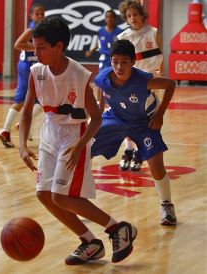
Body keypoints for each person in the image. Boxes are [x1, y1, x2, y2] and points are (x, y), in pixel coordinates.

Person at [19, 17, 137, 265]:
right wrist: (22, 145)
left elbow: (95, 119)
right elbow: (27, 109)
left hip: (73, 136)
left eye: (41, 47)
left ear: (59, 46)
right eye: (34, 47)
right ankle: (90, 242)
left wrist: (80, 145)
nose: (36, 52)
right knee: (43, 194)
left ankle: (117, 228)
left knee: (60, 196)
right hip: (49, 133)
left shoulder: (79, 75)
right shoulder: (35, 72)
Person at [91, 39, 177, 226]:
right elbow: (99, 86)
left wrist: (160, 115)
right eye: (115, 61)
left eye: (124, 62)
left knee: (156, 166)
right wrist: (99, 108)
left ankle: (166, 204)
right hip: (116, 117)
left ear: (133, 62)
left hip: (144, 123)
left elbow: (171, 84)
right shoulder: (103, 77)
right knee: (85, 145)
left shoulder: (144, 80)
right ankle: (76, 195)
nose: (119, 66)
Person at [116, 0, 164, 172]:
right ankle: (128, 149)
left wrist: (161, 79)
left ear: (142, 15)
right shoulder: (122, 37)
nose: (132, 18)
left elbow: (161, 58)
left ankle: (139, 151)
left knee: (146, 121)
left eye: (135, 14)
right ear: (126, 18)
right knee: (128, 119)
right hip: (130, 83)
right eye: (129, 16)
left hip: (151, 81)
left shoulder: (154, 32)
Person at [0, 3, 45, 148]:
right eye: (37, 14)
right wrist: (36, 47)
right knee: (21, 100)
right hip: (27, 67)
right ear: (31, 16)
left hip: (33, 66)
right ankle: (6, 129)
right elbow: (17, 44)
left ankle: (22, 125)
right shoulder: (31, 29)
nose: (40, 16)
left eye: (42, 14)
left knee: (41, 100)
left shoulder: (41, 29)